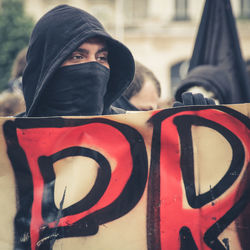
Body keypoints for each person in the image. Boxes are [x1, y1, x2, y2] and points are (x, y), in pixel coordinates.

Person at [20, 4, 135, 117]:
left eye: (101, 58)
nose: (94, 67)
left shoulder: (133, 131)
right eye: (78, 57)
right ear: (46, 67)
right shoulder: (10, 133)